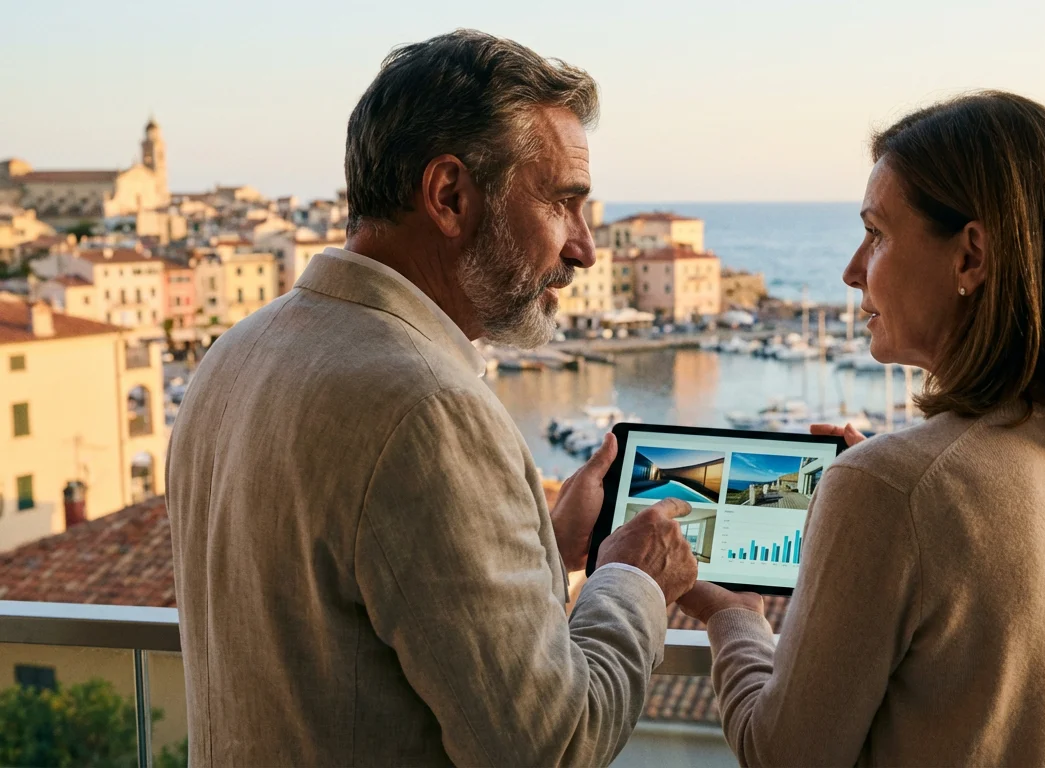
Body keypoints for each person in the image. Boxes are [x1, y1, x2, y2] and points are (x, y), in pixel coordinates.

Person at [165, 29, 698, 766]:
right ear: (450, 195)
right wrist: (631, 580)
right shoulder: (426, 408)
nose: (584, 248)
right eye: (563, 204)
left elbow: (350, 602)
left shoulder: (239, 351)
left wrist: (544, 545)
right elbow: (554, 743)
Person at [678, 91, 1045, 767]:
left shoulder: (892, 488)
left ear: (970, 257)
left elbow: (783, 756)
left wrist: (733, 615)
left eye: (876, 234)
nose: (852, 272)